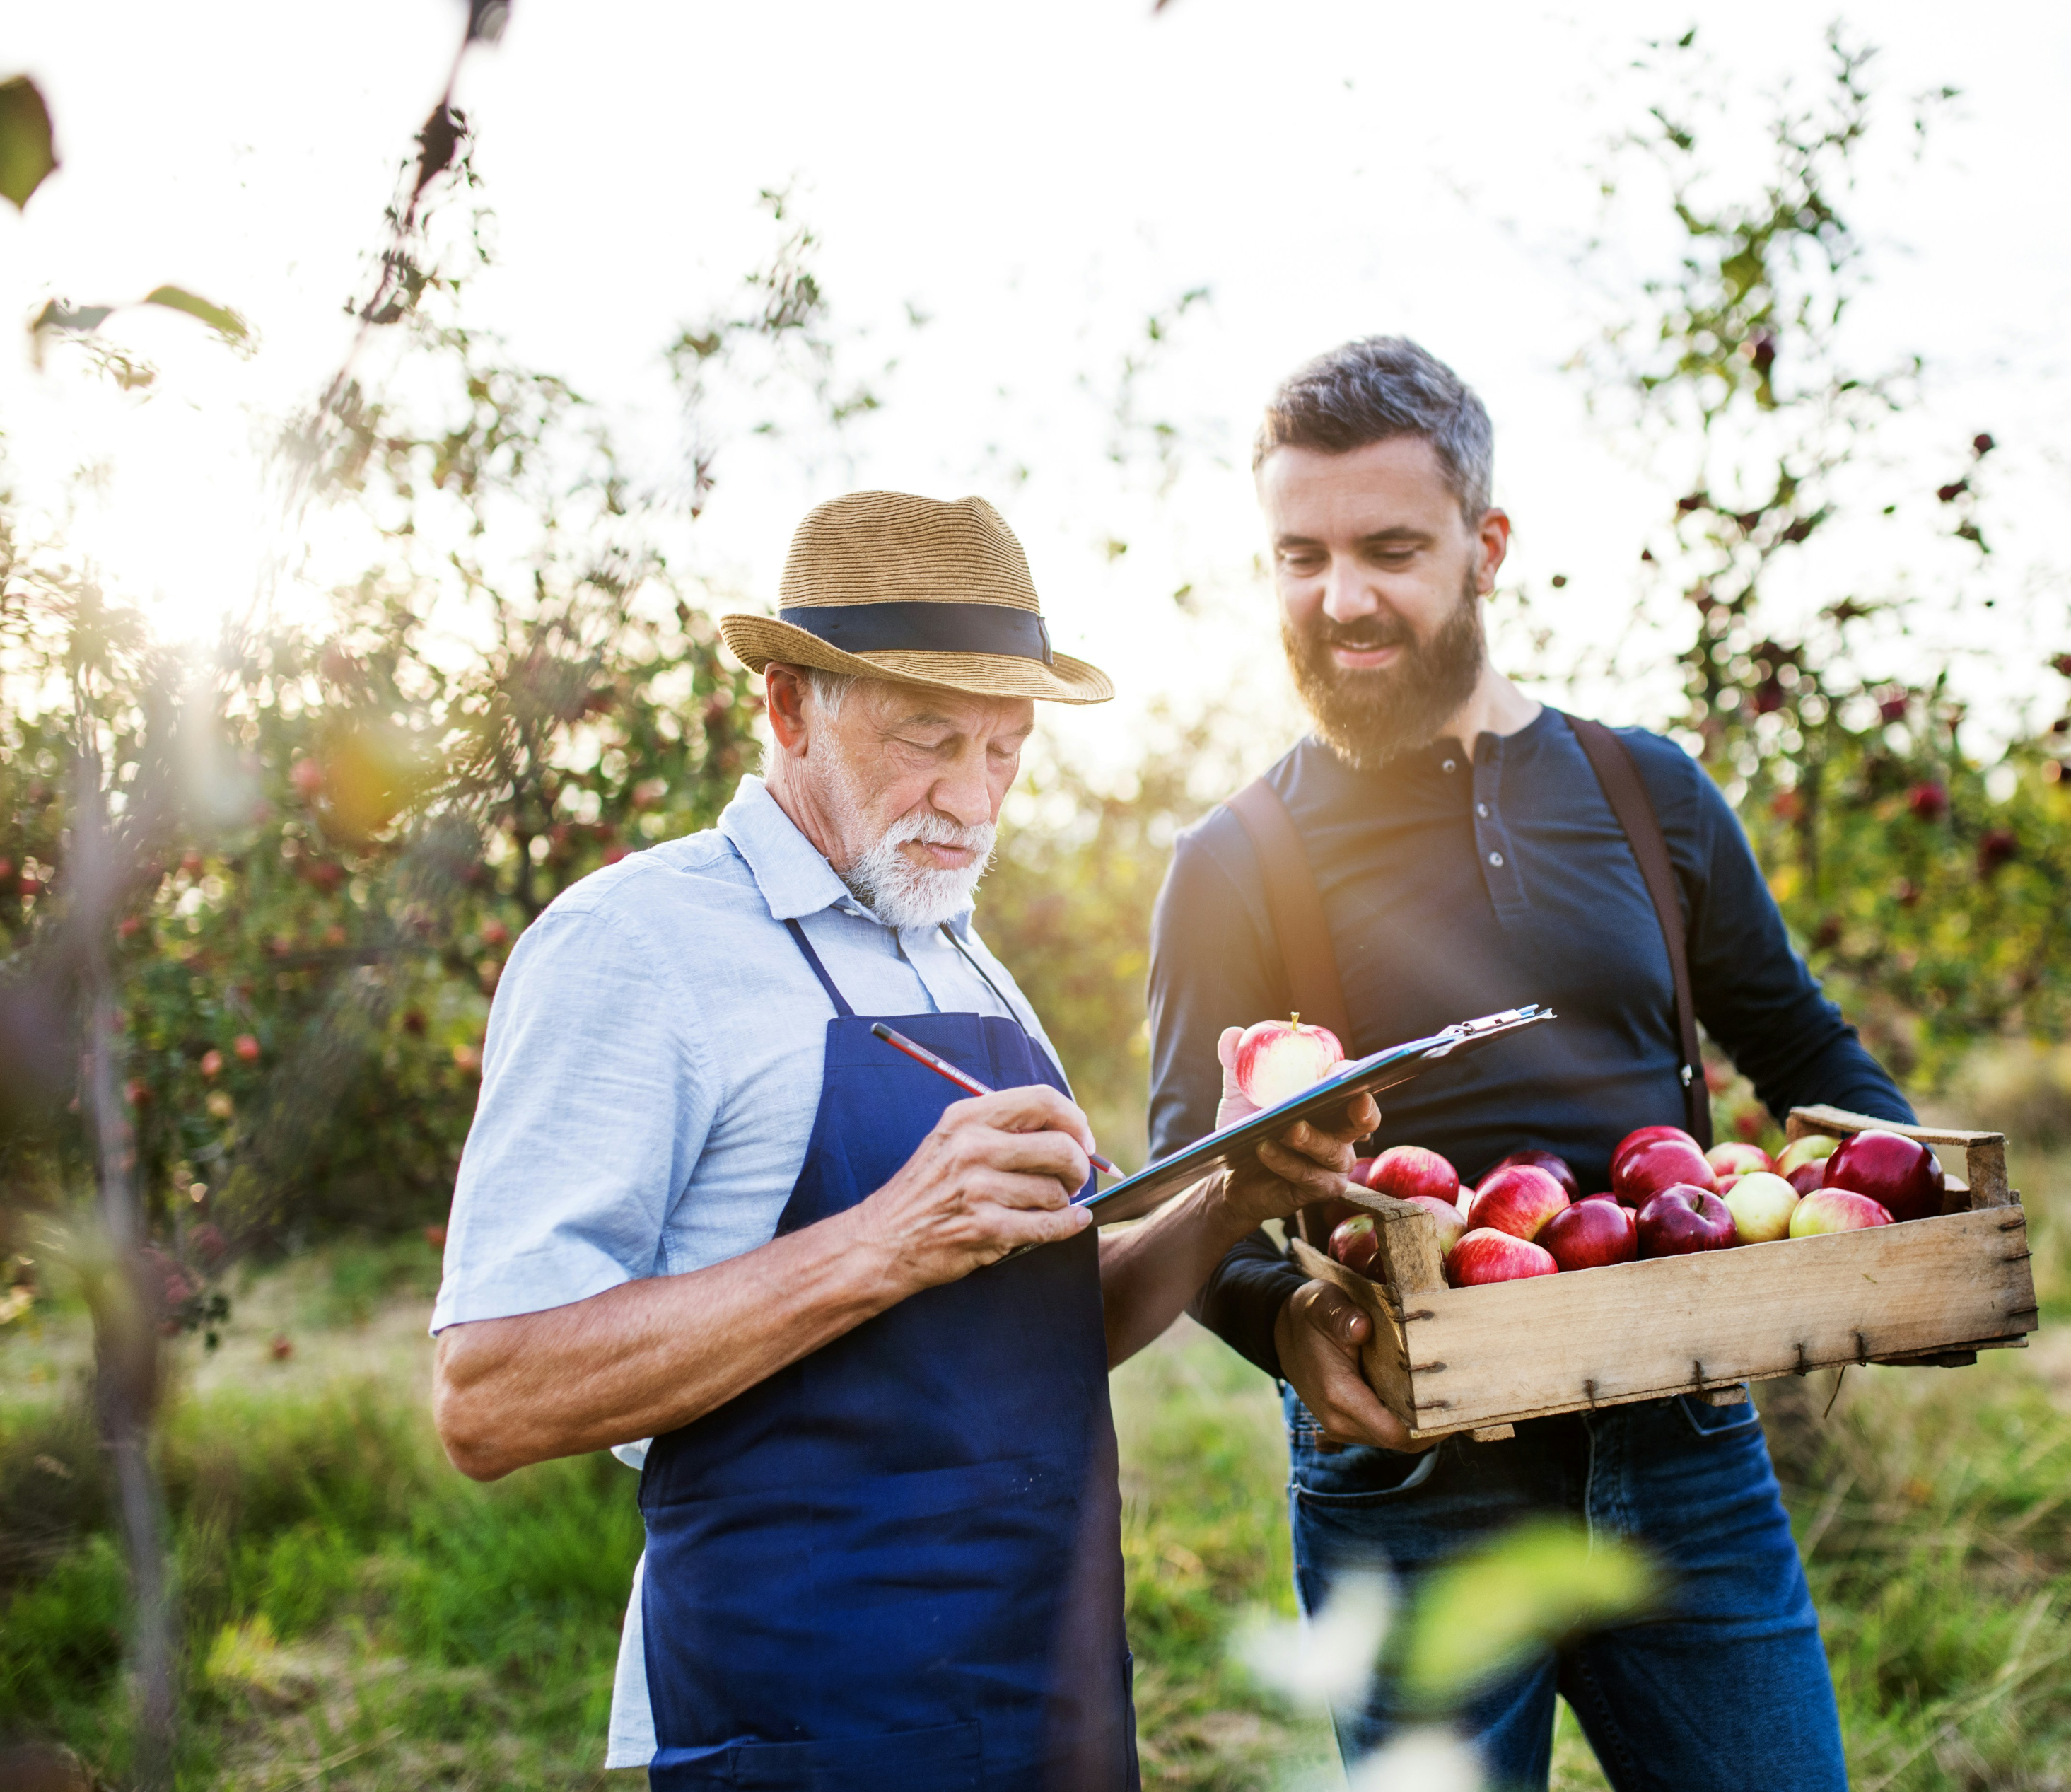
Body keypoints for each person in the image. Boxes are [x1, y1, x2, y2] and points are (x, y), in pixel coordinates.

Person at [431, 490, 1372, 1792]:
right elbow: (488, 1392)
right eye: (928, 736)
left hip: (1049, 1703)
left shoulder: (962, 956)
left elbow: (1044, 1325)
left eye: (1004, 749)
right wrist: (883, 1238)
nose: (971, 798)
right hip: (806, 1725)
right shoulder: (633, 947)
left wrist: (1225, 1190)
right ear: (786, 705)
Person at [1147, 338, 1911, 1791]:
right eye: (1296, 556)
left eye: (1386, 549)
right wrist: (1284, 1322)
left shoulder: (1646, 793)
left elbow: (1800, 1045)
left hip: (1683, 1444)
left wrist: (1889, 1208)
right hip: (1410, 1469)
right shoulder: (1231, 862)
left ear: (1483, 545)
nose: (1339, 598)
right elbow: (1185, 1162)